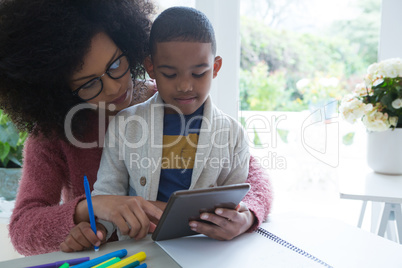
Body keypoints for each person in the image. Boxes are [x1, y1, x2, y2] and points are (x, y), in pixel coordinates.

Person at [0, 0, 272, 256]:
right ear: (60, 88)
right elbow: (23, 230)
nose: (114, 87)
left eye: (115, 64)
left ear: (131, 48)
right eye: (89, 83)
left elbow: (252, 180)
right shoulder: (53, 133)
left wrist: (247, 215)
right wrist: (90, 209)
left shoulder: (175, 100)